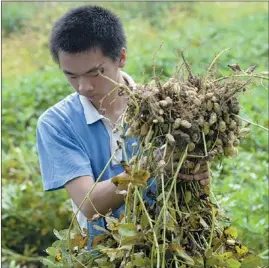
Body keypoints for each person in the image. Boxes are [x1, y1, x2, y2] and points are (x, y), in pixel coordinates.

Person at [36, 5, 209, 250]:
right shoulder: (56, 123)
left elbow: (195, 185)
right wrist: (153, 164)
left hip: (172, 246)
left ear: (122, 58)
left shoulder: (167, 109)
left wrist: (198, 173)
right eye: (71, 76)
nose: (83, 87)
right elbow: (89, 204)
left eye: (95, 72)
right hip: (100, 254)